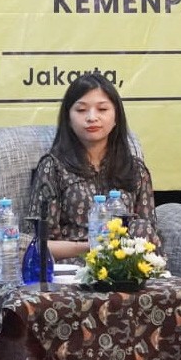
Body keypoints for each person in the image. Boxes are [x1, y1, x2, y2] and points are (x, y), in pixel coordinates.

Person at [27, 73, 160, 261]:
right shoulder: (53, 167)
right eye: (81, 110)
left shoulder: (135, 169)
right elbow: (38, 244)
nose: (92, 117)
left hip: (125, 266)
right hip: (75, 264)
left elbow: (148, 233)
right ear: (68, 118)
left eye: (102, 109)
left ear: (116, 117)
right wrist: (93, 247)